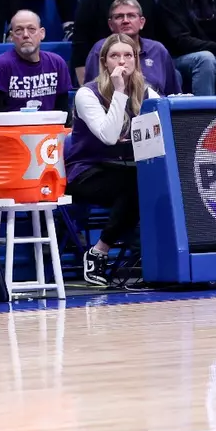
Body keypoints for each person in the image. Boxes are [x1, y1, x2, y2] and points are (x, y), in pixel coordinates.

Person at [68, 33, 155, 286]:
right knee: (136, 185)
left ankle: (153, 254)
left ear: (136, 60)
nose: (122, 61)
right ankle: (99, 252)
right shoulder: (87, 94)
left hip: (125, 170)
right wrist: (119, 91)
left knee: (148, 182)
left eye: (128, 55)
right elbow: (109, 136)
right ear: (104, 62)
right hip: (86, 171)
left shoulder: (146, 92)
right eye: (115, 56)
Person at [81, 0, 180, 94]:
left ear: (141, 22)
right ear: (110, 24)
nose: (125, 21)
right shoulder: (100, 49)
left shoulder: (158, 50)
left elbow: (173, 93)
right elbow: (92, 91)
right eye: (119, 17)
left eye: (131, 16)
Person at [0, 9, 73, 112]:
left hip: (48, 123)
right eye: (19, 30)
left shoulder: (57, 63)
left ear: (42, 33)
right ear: (12, 37)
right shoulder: (1, 66)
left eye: (31, 29)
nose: (25, 35)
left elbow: (64, 111)